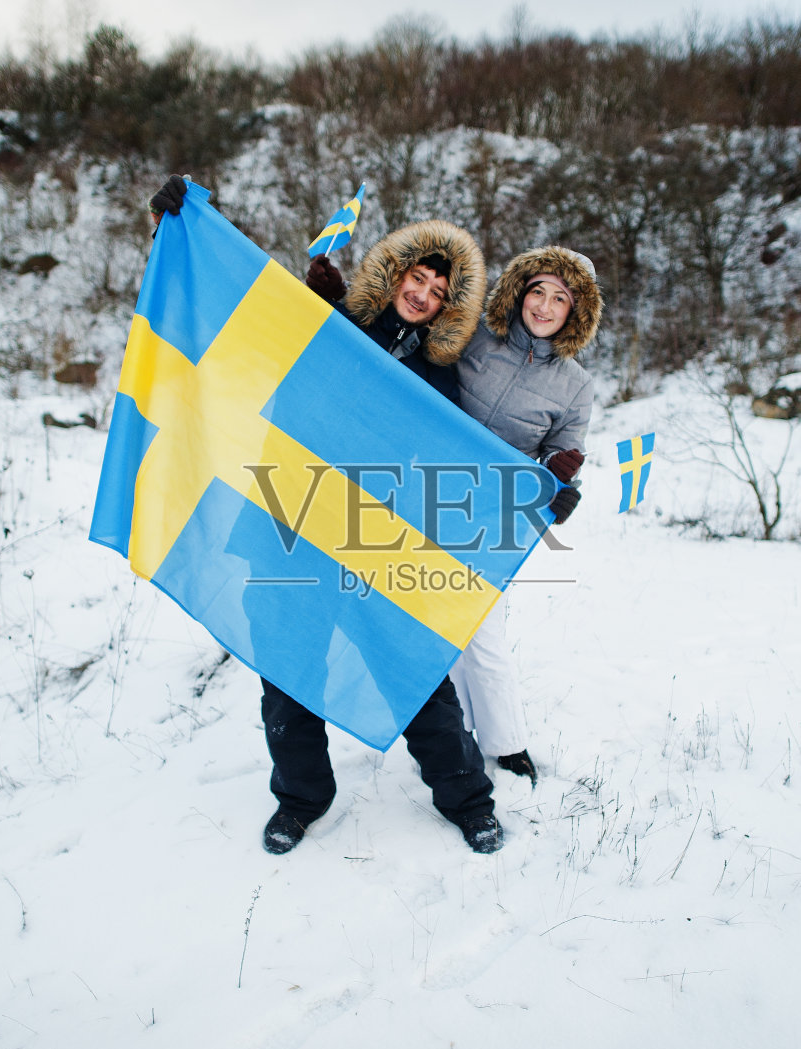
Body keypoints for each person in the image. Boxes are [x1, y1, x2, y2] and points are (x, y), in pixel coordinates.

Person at [150, 176, 505, 855]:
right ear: (395, 273)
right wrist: (191, 218)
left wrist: (543, 479)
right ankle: (301, 798)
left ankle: (466, 797)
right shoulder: (325, 320)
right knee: (288, 676)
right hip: (287, 525)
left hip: (376, 541)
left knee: (417, 674)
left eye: (439, 293)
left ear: (445, 310)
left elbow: (470, 451)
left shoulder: (440, 380)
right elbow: (232, 295)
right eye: (418, 278)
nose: (423, 294)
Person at [447, 246, 602, 785]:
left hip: (493, 515)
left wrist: (563, 479)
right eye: (538, 290)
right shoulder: (474, 334)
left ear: (574, 312)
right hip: (424, 493)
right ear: (518, 292)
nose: (544, 304)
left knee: (481, 634)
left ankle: (507, 746)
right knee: (433, 626)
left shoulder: (576, 384)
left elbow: (563, 458)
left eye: (560, 298)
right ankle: (454, 732)